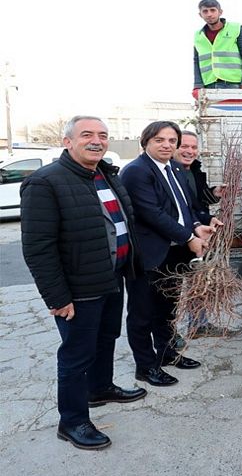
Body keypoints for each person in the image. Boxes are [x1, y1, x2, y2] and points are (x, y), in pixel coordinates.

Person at [20, 115, 147, 450]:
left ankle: (100, 388)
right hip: (78, 288)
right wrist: (57, 297)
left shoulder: (106, 174)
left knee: (106, 338)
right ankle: (72, 421)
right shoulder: (46, 182)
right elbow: (38, 247)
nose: (97, 140)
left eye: (103, 135)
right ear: (67, 141)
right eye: (87, 134)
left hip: (111, 277)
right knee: (77, 355)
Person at [120, 121, 216, 387]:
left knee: (168, 309)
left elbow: (183, 207)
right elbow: (152, 214)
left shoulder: (173, 168)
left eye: (171, 141)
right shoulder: (136, 172)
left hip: (174, 254)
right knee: (142, 314)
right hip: (149, 254)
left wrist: (197, 225)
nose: (167, 145)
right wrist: (189, 237)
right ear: (146, 142)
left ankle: (167, 354)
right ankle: (145, 366)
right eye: (159, 140)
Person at [173, 130, 225, 338]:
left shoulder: (194, 170)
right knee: (173, 287)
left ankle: (198, 325)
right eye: (184, 146)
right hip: (179, 237)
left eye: (194, 147)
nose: (189, 151)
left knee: (199, 282)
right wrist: (189, 233)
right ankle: (170, 332)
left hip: (199, 234)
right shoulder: (169, 172)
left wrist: (214, 194)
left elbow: (197, 202)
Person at [192, 0, 242, 98]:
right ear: (200, 14)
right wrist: (197, 85)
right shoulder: (198, 36)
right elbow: (197, 62)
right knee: (209, 114)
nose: (209, 14)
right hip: (208, 85)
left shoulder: (236, 29)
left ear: (220, 12)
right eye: (205, 11)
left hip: (233, 84)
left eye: (213, 10)